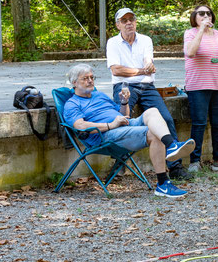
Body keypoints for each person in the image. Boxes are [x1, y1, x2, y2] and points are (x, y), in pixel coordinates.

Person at [63, 64, 195, 197]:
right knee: (153, 134)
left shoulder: (99, 95)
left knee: (152, 111)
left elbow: (124, 115)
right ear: (74, 82)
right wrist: (110, 125)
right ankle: (163, 183)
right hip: (105, 136)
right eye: (85, 78)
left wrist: (124, 103)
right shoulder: (72, 104)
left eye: (92, 77)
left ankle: (171, 145)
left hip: (122, 126)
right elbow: (80, 126)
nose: (90, 81)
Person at [107, 8, 192, 181]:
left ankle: (175, 167)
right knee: (122, 120)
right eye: (124, 20)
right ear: (118, 25)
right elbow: (116, 70)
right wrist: (141, 70)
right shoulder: (112, 43)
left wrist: (148, 67)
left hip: (147, 86)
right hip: (123, 86)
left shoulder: (145, 40)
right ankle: (119, 165)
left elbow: (148, 63)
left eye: (132, 19)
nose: (129, 22)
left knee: (166, 119)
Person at [183, 4, 218, 173]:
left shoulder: (217, 35)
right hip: (198, 86)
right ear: (195, 17)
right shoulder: (190, 33)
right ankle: (195, 161)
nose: (206, 16)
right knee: (199, 123)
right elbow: (190, 52)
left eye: (208, 13)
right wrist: (201, 29)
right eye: (201, 13)